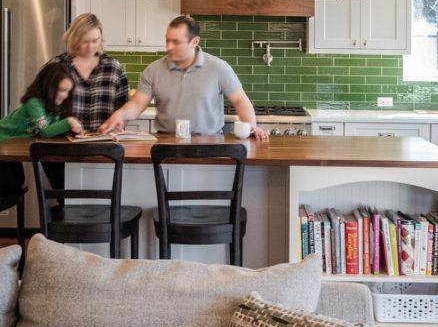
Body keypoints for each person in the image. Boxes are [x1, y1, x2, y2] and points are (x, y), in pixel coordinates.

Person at [100, 15, 268, 140]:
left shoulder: (219, 68)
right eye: (167, 41)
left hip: (210, 144)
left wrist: (251, 127)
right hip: (166, 143)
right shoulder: (153, 70)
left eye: (176, 42)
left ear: (194, 42)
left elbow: (239, 99)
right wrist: (120, 115)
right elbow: (137, 104)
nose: (168, 47)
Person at [0, 63, 83, 194]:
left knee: (16, 182)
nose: (65, 95)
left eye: (68, 91)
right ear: (48, 86)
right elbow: (44, 131)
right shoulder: (34, 102)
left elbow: (52, 129)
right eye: (62, 90)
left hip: (10, 145)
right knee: (12, 183)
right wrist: (69, 121)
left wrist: (72, 129)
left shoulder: (52, 108)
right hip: (2, 141)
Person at [51, 13, 129, 133]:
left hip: (105, 145)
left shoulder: (113, 68)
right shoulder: (56, 67)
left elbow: (124, 107)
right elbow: (39, 108)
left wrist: (118, 124)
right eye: (84, 41)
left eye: (95, 40)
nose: (90, 47)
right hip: (62, 145)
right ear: (74, 39)